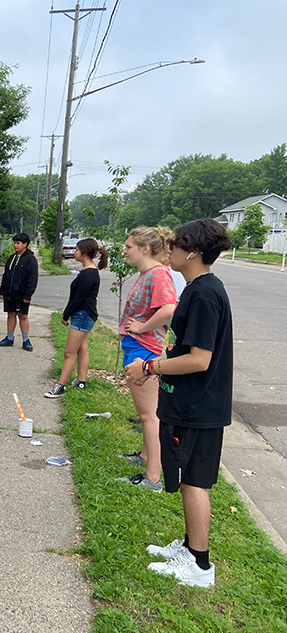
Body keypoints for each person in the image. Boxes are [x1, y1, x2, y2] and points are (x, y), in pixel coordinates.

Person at [125, 218, 233, 588]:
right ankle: (189, 547)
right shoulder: (196, 289)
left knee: (194, 482)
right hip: (189, 402)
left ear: (195, 252)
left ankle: (200, 564)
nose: (170, 250)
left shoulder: (204, 294)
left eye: (177, 245)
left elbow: (200, 359)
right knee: (188, 480)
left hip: (199, 406)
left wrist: (150, 367)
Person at [117, 226, 177, 492]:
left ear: (145, 249)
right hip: (137, 346)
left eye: (128, 246)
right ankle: (144, 456)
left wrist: (142, 328)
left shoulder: (159, 274)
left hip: (145, 349)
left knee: (149, 415)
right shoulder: (147, 273)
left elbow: (168, 309)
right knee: (145, 414)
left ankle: (153, 477)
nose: (124, 251)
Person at [45, 238, 108, 398]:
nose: (74, 252)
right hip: (85, 314)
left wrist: (66, 315)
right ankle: (81, 381)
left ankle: (60, 386)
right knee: (82, 349)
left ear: (84, 253)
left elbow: (78, 298)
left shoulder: (88, 274)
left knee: (69, 352)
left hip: (82, 315)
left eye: (77, 250)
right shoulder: (89, 271)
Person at [0, 233, 38, 351]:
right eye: (14, 243)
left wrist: (28, 295)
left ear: (25, 244)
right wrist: (2, 290)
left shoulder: (30, 259)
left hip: (22, 294)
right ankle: (9, 338)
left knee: (23, 316)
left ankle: (26, 340)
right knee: (10, 314)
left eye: (18, 243)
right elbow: (5, 275)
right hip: (9, 293)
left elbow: (32, 279)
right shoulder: (11, 258)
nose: (15, 245)